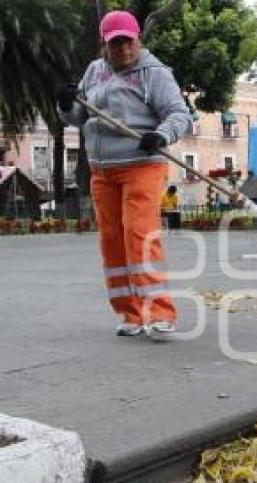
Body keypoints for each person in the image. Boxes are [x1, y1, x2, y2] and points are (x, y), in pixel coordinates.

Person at [57, 10, 191, 338]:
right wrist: (65, 106)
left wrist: (160, 135)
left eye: (127, 42)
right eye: (114, 43)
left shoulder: (153, 73)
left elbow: (179, 115)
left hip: (142, 165)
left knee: (139, 236)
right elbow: (82, 118)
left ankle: (160, 312)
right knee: (113, 242)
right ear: (105, 44)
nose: (122, 49)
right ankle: (130, 314)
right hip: (103, 170)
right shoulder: (95, 72)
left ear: (137, 39)